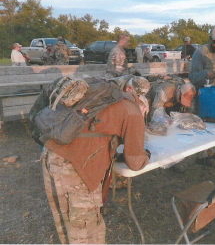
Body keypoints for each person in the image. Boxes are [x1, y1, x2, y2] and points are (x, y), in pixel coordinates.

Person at [29, 77, 149, 244]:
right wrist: (147, 155)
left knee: (65, 224)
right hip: (75, 168)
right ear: (142, 104)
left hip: (51, 154)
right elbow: (135, 162)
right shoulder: (133, 110)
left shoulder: (103, 95)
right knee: (85, 233)